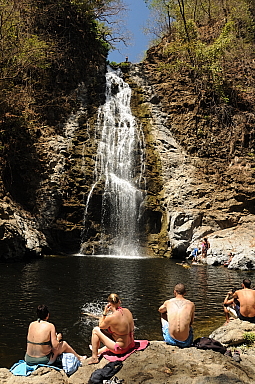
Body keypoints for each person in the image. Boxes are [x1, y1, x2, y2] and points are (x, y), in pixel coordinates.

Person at [87, 293, 135, 364]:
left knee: (96, 330)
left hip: (121, 349)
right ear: (119, 302)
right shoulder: (127, 311)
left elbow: (100, 325)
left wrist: (104, 313)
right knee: (114, 334)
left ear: (109, 304)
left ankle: (94, 358)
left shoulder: (111, 317)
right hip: (131, 344)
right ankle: (99, 351)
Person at [158, 283, 195, 348]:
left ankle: (170, 333)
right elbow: (191, 323)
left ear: (174, 292)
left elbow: (160, 310)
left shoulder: (168, 302)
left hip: (171, 340)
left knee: (163, 313)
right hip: (186, 342)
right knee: (189, 325)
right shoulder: (191, 304)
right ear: (185, 293)